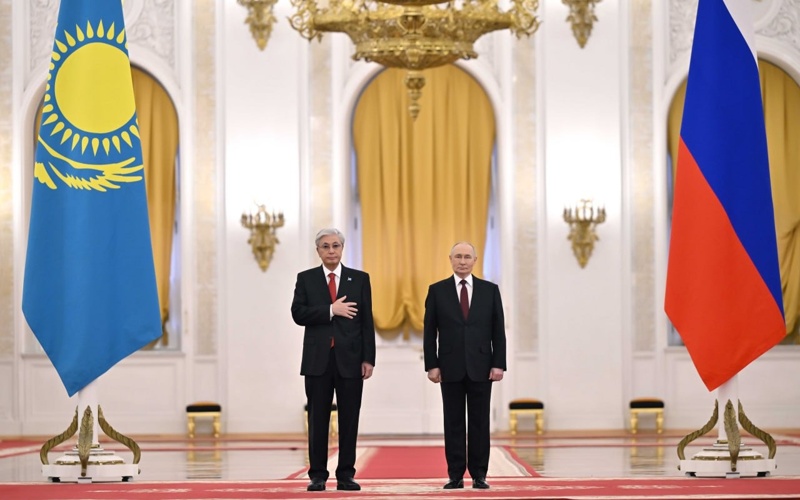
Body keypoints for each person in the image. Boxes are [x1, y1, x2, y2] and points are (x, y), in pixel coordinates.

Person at [291, 228, 376, 492]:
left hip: (351, 360)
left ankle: (346, 475)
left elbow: (366, 322)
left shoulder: (359, 279)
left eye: (336, 246)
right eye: (326, 246)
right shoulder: (306, 279)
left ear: (342, 248)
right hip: (318, 360)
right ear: (318, 251)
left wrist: (368, 359)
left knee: (349, 419)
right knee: (317, 419)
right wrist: (331, 310)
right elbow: (298, 313)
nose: (331, 251)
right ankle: (317, 475)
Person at [423, 241, 507, 490]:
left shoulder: (489, 290)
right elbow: (429, 331)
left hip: (482, 366)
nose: (462, 261)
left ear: (475, 260)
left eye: (467, 257)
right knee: (453, 422)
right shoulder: (437, 290)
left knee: (480, 422)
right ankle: (455, 475)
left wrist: (498, 364)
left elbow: (498, 331)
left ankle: (480, 474)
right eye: (458, 256)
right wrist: (432, 365)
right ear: (450, 259)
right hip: (449, 367)